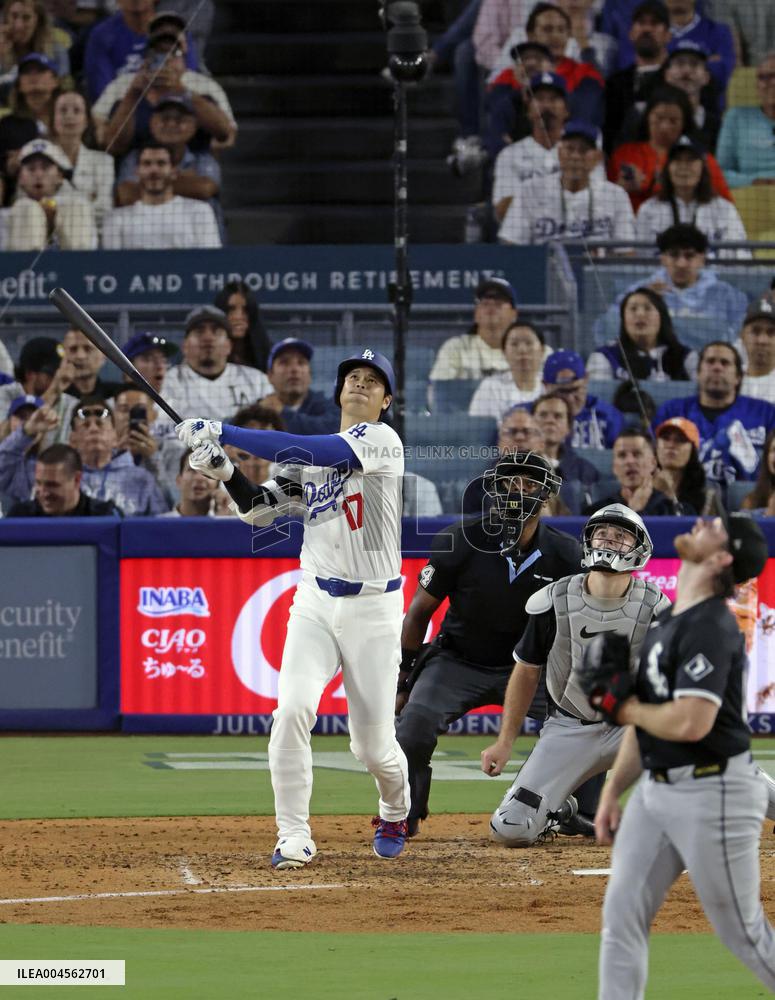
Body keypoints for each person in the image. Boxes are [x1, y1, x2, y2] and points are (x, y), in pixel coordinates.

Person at [176, 348, 412, 866]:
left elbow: (310, 446)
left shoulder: (381, 442)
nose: (360, 384)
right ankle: (293, 834)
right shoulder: (308, 464)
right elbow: (261, 511)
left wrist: (225, 431)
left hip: (374, 607)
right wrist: (225, 470)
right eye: (353, 376)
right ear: (339, 390)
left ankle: (395, 808)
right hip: (314, 600)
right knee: (291, 712)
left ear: (386, 400)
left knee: (371, 747)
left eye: (373, 381)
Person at [589, 514, 775, 999]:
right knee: (622, 916)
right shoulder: (671, 619)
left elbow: (693, 721)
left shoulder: (713, 625)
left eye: (716, 525)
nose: (702, 520)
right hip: (656, 791)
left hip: (715, 792)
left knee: (743, 931)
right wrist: (613, 791)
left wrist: (626, 707)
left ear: (722, 557)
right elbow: (646, 716)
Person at [396, 451, 590, 838]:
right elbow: (418, 613)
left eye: (529, 483)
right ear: (495, 488)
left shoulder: (568, 554)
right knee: (412, 728)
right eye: (509, 482)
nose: (518, 490)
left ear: (547, 493)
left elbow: (579, 628)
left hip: (533, 667)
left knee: (586, 726)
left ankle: (576, 809)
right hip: (458, 660)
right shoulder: (460, 539)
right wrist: (405, 679)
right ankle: (406, 810)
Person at [481, 503, 670, 845]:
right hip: (568, 727)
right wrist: (505, 741)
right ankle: (563, 810)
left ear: (639, 547)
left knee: (718, 756)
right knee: (511, 828)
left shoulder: (657, 608)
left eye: (620, 536)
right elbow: (526, 672)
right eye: (601, 534)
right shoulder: (553, 599)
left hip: (632, 727)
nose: (609, 541)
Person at [485, 3, 605, 160]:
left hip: (570, 158)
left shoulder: (585, 73)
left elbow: (586, 117)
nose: (555, 36)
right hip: (518, 163)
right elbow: (496, 127)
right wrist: (524, 87)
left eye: (561, 30)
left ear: (569, 35)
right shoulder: (508, 77)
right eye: (547, 29)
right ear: (531, 35)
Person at [652, 340, 775, 492]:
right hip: (685, 498)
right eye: (710, 362)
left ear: (738, 377)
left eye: (725, 363)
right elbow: (651, 458)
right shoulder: (672, 411)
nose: (717, 367)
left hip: (752, 500)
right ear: (698, 373)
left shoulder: (767, 413)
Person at [98, 27, 235, 155]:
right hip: (139, 165)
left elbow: (224, 133)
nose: (167, 59)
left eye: (174, 53)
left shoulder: (201, 90)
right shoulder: (127, 91)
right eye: (158, 53)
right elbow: (113, 145)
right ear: (146, 59)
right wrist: (133, 94)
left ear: (184, 60)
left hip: (192, 162)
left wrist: (181, 90)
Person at [499, 120, 635, 245]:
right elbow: (512, 246)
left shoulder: (616, 196)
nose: (575, 156)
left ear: (598, 158)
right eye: (570, 149)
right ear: (559, 153)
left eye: (584, 150)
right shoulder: (530, 190)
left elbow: (625, 253)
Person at [614, 223, 748, 340]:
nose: (681, 264)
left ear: (702, 258)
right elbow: (609, 326)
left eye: (689, 256)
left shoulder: (726, 295)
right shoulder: (642, 291)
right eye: (674, 255)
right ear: (663, 258)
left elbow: (741, 334)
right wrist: (643, 301)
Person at [609, 85, 731, 212]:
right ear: (647, 117)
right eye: (659, 118)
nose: (664, 127)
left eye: (673, 121)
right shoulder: (624, 154)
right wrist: (621, 189)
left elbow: (725, 207)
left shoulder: (702, 159)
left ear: (685, 123)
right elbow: (604, 206)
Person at [635, 136, 748, 257]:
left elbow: (741, 259)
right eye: (677, 160)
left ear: (703, 167)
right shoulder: (648, 210)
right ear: (668, 168)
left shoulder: (725, 210)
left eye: (691, 160)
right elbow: (640, 261)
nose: (683, 166)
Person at [102, 141, 222, 250]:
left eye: (161, 163)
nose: (153, 170)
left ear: (174, 171)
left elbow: (210, 260)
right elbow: (112, 266)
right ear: (136, 171)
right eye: (147, 164)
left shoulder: (200, 211)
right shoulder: (116, 219)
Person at [115, 94, 221, 209]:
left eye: (179, 119)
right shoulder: (134, 157)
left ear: (194, 126)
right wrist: (186, 183)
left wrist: (149, 183)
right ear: (152, 123)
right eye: (164, 118)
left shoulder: (203, 160)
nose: (171, 124)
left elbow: (204, 189)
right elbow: (126, 195)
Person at [163, 306, 270, 420]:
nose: (208, 337)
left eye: (216, 331)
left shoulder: (257, 380)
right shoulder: (167, 381)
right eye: (199, 331)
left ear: (229, 346)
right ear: (185, 346)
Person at [491, 71, 571, 223]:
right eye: (539, 99)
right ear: (528, 111)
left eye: (554, 99)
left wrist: (526, 197)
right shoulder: (509, 155)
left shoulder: (583, 153)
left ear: (566, 110)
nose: (546, 105)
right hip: (524, 242)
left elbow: (593, 205)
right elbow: (502, 211)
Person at [83, 0, 197, 103]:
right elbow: (102, 95)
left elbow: (191, 81)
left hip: (173, 108)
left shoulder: (175, 28)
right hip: (122, 113)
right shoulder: (101, 35)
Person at [69, 398, 168, 515]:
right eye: (86, 425)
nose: (93, 429)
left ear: (115, 437)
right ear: (72, 440)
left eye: (100, 424)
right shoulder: (65, 479)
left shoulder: (142, 480)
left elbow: (161, 523)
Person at [603, 0, 672, 153]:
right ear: (631, 33)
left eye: (654, 23)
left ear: (668, 35)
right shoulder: (615, 83)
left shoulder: (678, 80)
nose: (647, 29)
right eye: (641, 23)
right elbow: (609, 133)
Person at [587, 286, 697, 382]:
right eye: (633, 309)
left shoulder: (686, 357)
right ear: (623, 319)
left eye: (648, 308)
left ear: (662, 318)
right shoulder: (604, 357)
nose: (640, 314)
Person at [6, 137, 97, 250]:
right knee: (25, 207)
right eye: (31, 169)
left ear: (60, 176)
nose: (38, 174)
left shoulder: (80, 206)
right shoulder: (6, 215)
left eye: (45, 168)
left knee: (77, 206)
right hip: (20, 267)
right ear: (20, 178)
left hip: (74, 266)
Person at [583, 428, 690, 515]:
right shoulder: (596, 513)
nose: (629, 461)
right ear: (614, 467)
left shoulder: (674, 511)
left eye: (637, 454)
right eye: (622, 455)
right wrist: (634, 509)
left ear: (653, 463)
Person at [49, 89, 114, 231]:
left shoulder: (104, 161)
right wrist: (86, 201)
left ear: (86, 121)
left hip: (90, 237)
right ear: (53, 120)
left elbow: (104, 210)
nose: (69, 116)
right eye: (63, 110)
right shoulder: (40, 159)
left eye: (77, 110)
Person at [0, 53, 62, 203]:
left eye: (40, 71)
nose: (33, 77)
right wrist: (9, 165)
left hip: (65, 191)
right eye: (26, 72)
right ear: (19, 85)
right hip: (20, 197)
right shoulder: (6, 125)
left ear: (55, 80)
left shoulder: (68, 115)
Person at [429, 278, 518, 382]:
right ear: (476, 314)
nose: (491, 306)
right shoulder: (456, 348)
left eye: (499, 302)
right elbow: (439, 391)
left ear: (514, 314)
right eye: (485, 302)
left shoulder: (527, 349)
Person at [5, 443, 120, 516]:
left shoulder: (105, 516)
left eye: (52, 485)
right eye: (39, 483)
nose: (43, 492)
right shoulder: (20, 516)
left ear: (76, 479)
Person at [543, 349, 625, 449]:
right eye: (562, 392)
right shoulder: (530, 417)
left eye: (576, 389)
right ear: (545, 385)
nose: (570, 399)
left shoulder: (610, 416)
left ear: (586, 378)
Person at [715, 51, 775, 188]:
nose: (772, 83)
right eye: (764, 77)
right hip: (750, 196)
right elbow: (720, 173)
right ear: (757, 86)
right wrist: (755, 181)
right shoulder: (736, 117)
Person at [531, 392, 599, 509]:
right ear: (531, 423)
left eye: (558, 416)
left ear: (568, 427)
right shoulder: (513, 464)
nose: (550, 421)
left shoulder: (585, 470)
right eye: (543, 415)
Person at [468, 322, 549, 420]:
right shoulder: (490, 387)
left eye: (529, 343)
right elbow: (480, 430)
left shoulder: (549, 386)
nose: (522, 350)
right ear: (504, 352)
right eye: (514, 344)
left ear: (542, 350)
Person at [260, 338, 340, 436]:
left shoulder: (331, 407)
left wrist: (282, 412)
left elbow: (332, 430)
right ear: (270, 376)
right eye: (284, 362)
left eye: (301, 362)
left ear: (309, 375)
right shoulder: (259, 411)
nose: (294, 369)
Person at [653, 416, 724, 516]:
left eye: (680, 440)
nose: (671, 445)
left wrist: (669, 495)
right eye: (665, 438)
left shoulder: (707, 492)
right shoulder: (640, 483)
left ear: (693, 451)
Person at [0, 0, 71, 88]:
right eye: (14, 16)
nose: (19, 26)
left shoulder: (56, 51)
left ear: (38, 21)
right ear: (6, 18)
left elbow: (64, 87)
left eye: (26, 18)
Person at [213, 280, 273, 372]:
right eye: (231, 309)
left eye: (245, 310)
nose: (238, 317)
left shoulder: (270, 358)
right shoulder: (205, 355)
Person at [61, 326, 124, 401]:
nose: (80, 356)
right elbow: (42, 404)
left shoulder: (119, 395)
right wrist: (53, 391)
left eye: (88, 349)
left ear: (103, 356)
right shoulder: (53, 392)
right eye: (73, 349)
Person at [159, 448, 220, 517]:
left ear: (217, 483)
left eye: (207, 472)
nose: (199, 478)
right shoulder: (159, 525)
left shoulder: (226, 519)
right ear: (178, 480)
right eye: (191, 470)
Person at [738, 296, 775, 404]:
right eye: (755, 331)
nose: (762, 341)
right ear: (742, 336)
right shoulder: (728, 378)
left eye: (771, 332)